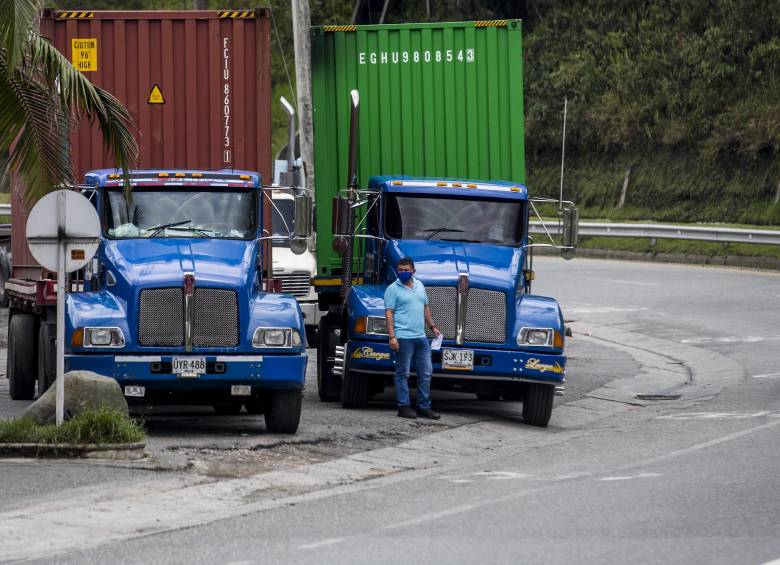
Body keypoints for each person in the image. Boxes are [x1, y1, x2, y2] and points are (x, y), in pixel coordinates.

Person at [384, 257, 442, 420]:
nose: (402, 273)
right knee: (403, 373)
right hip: (403, 337)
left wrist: (433, 326)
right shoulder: (392, 289)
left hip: (421, 337)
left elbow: (425, 307)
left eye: (406, 270)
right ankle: (403, 406)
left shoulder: (420, 285)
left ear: (413, 271)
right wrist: (392, 337)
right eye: (400, 270)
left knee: (426, 372)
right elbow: (389, 313)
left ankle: (424, 406)